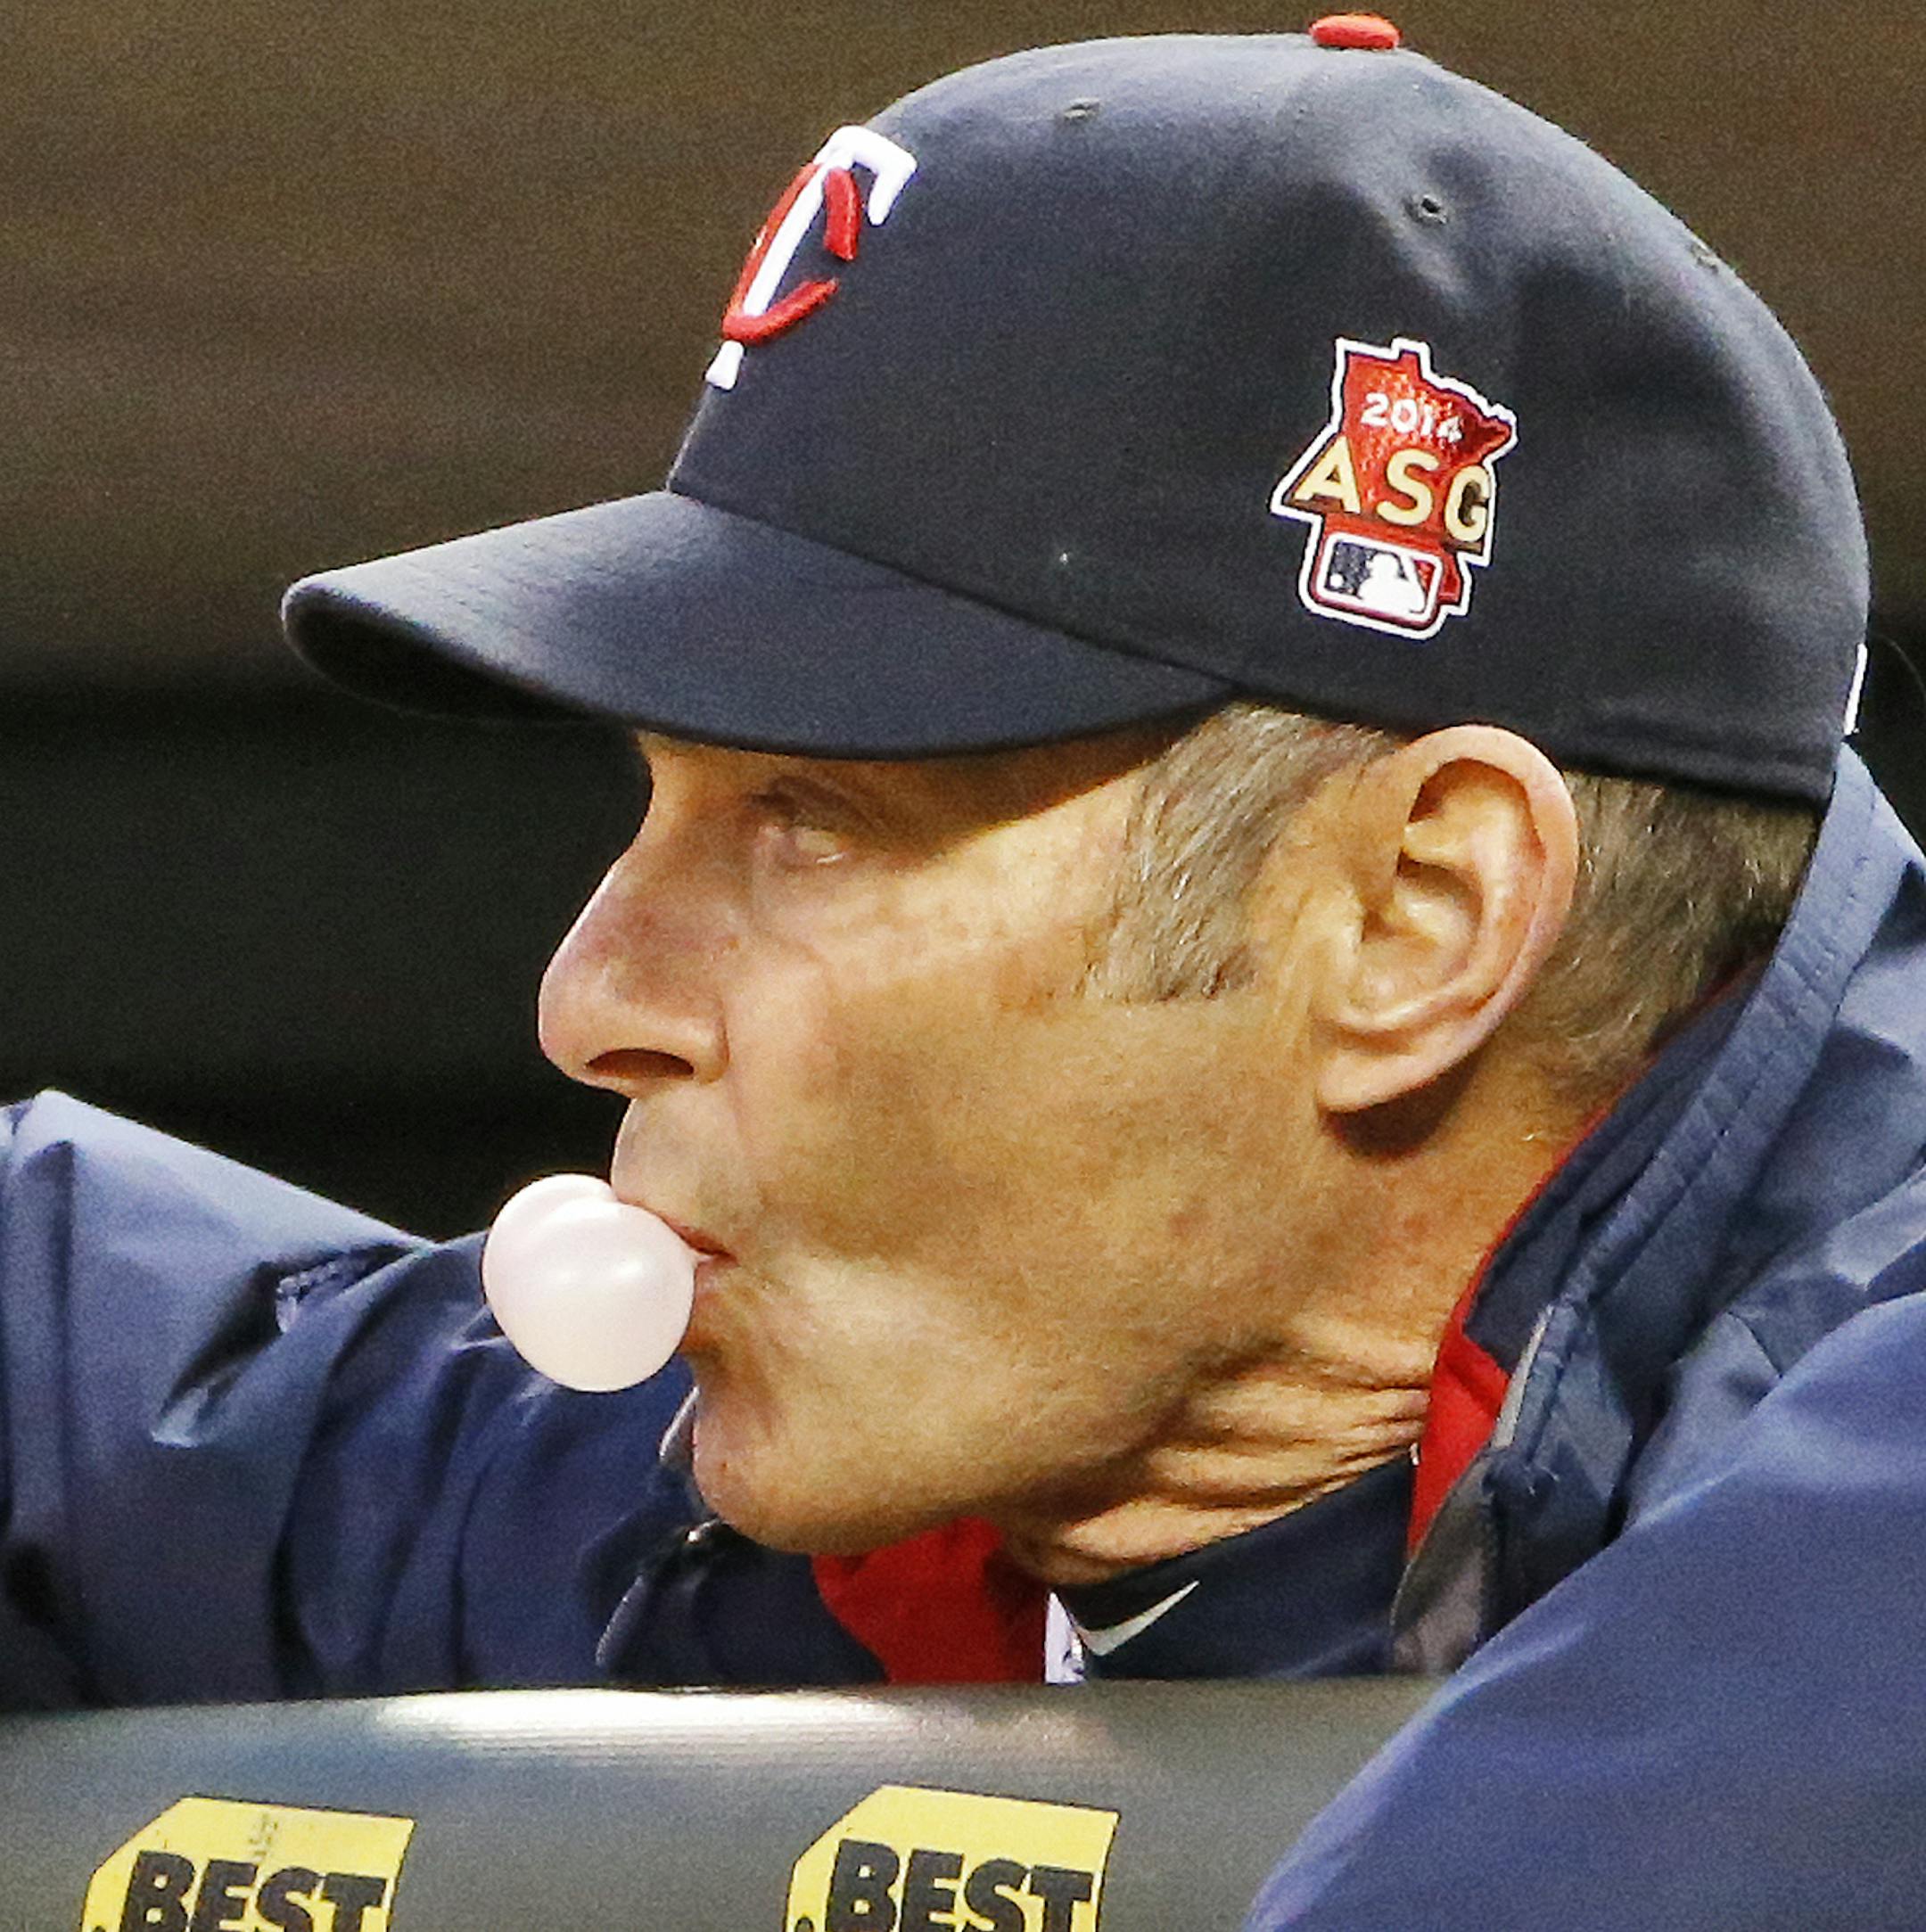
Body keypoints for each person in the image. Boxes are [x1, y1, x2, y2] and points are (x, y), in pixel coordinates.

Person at [6, 18, 1924, 1926]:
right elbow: (98, 1339)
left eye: (813, 815)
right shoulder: (924, 1441)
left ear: (1411, 918)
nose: (591, 993)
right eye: (657, 798)